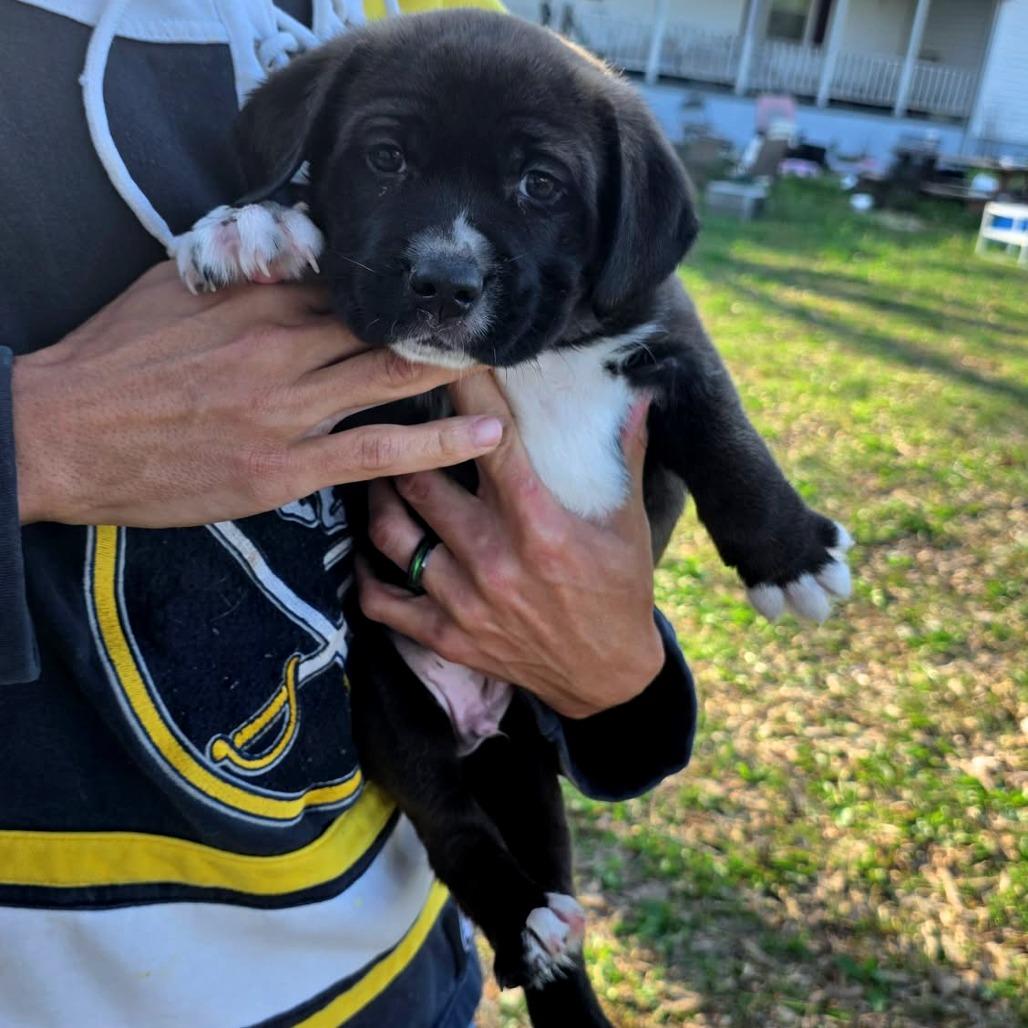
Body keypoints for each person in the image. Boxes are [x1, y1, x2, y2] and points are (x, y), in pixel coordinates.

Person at [0, 1, 697, 1024]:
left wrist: (619, 678)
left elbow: (599, 381)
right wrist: (38, 437)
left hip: (406, 970)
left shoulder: (424, 26)